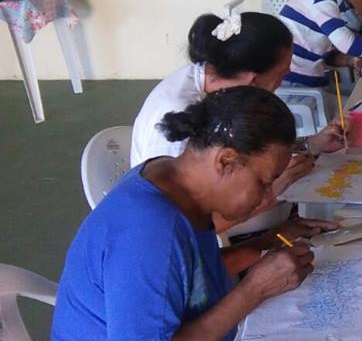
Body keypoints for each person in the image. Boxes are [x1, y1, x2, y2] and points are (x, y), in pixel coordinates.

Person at [54, 87, 336, 340]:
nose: (266, 196)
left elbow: (188, 275)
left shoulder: (171, 176)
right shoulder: (149, 230)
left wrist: (268, 240)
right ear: (225, 160)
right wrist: (254, 290)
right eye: (263, 182)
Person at [131, 12, 345, 233]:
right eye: (282, 74)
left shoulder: (216, 79)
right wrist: (273, 191)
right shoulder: (178, 116)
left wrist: (309, 144)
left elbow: (245, 147)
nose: (283, 81)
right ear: (254, 81)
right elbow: (186, 229)